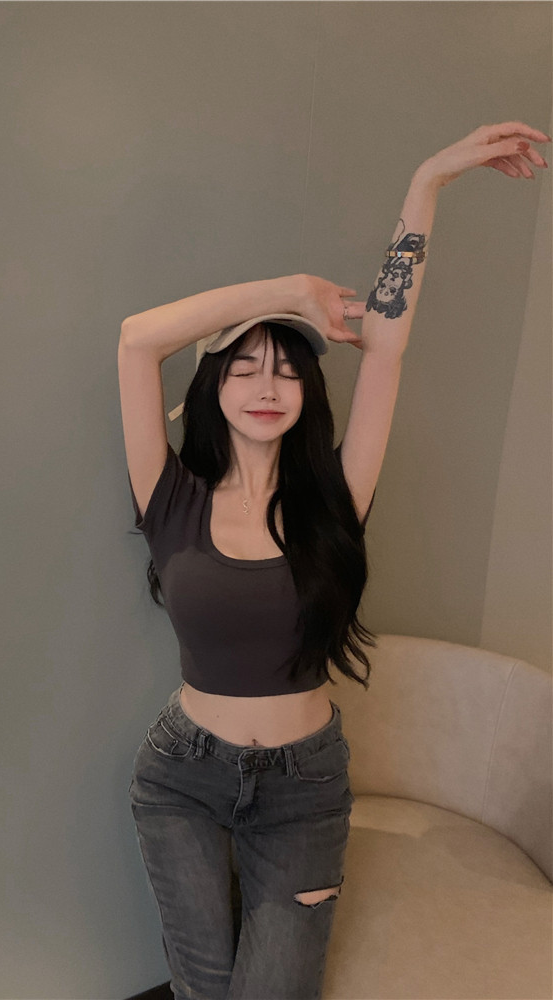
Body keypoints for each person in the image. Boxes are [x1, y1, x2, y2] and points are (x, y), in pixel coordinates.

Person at [118, 122, 549, 1000]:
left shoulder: (335, 499)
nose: (266, 386)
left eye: (286, 371)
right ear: (213, 387)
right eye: (243, 368)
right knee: (202, 987)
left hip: (303, 789)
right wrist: (285, 291)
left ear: (309, 392)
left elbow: (387, 344)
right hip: (181, 778)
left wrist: (429, 180)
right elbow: (136, 341)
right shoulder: (170, 497)